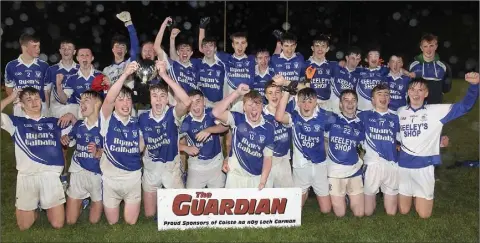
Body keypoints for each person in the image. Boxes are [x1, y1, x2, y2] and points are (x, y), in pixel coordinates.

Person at [397, 72, 479, 219]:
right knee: (403, 211)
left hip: (425, 167)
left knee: (424, 215)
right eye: (413, 90)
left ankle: (419, 193)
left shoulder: (435, 111)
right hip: (403, 167)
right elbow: (395, 135)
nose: (416, 93)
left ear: (426, 93)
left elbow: (464, 107)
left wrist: (474, 86)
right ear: (408, 92)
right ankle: (412, 193)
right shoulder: (399, 112)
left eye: (420, 90)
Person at [1, 87, 76, 230]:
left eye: (36, 98)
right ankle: (34, 207)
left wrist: (71, 117)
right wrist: (11, 98)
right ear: (21, 105)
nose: (34, 102)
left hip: (50, 176)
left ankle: (44, 203)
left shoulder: (55, 122)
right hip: (27, 176)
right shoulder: (16, 123)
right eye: (28, 99)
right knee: (24, 226)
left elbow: (80, 131)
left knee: (58, 224)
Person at [137, 60, 192, 218]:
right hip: (151, 169)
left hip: (170, 168)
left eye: (162, 96)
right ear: (150, 99)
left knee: (181, 213)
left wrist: (164, 76)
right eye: (154, 96)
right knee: (149, 215)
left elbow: (187, 101)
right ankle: (160, 195)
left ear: (167, 99)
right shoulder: (142, 118)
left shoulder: (172, 114)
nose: (159, 100)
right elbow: (140, 146)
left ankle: (170, 190)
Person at [275, 83, 332, 213]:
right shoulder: (294, 117)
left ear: (315, 102)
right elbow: (278, 117)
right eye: (303, 102)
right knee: (295, 210)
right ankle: (303, 193)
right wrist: (287, 92)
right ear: (298, 103)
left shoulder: (324, 116)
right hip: (300, 167)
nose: (306, 106)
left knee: (326, 210)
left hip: (320, 166)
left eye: (310, 102)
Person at [99, 62, 143, 225]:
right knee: (112, 223)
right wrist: (124, 75)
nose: (125, 104)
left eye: (128, 100)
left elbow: (141, 147)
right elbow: (109, 99)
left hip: (132, 178)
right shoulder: (107, 119)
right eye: (121, 99)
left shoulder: (137, 122)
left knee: (131, 223)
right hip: (111, 180)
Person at [212, 84, 274, 189]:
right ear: (244, 107)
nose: (253, 108)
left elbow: (268, 158)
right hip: (235, 177)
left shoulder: (269, 128)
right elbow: (216, 112)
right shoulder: (237, 119)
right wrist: (236, 93)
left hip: (256, 177)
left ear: (262, 107)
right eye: (250, 105)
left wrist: (263, 181)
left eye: (257, 105)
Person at [61, 90, 104, 225]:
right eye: (81, 101)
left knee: (94, 221)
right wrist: (65, 138)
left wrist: (99, 152)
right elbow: (70, 137)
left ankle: (93, 200)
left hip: (97, 174)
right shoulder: (79, 125)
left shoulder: (105, 127)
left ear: (97, 104)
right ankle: (82, 199)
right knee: (70, 221)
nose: (81, 103)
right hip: (78, 172)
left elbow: (112, 150)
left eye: (86, 100)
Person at [358, 84, 400, 216]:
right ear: (373, 99)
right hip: (372, 165)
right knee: (367, 212)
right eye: (379, 94)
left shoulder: (396, 118)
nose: (383, 97)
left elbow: (405, 139)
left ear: (390, 99)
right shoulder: (362, 116)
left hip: (391, 164)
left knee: (391, 213)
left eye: (387, 94)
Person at [325, 90, 365, 217]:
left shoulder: (361, 124)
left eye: (353, 100)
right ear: (340, 104)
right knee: (340, 214)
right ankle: (343, 198)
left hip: (354, 171)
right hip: (334, 173)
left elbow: (362, 148)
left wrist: (360, 161)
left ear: (357, 103)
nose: (350, 103)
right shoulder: (332, 119)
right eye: (346, 100)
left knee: (359, 214)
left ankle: (348, 196)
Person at [179, 89, 229, 189]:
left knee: (218, 200)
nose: (195, 106)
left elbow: (226, 126)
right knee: (192, 200)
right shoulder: (184, 122)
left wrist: (209, 130)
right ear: (188, 106)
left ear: (204, 102)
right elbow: (170, 143)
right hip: (196, 166)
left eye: (198, 101)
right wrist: (185, 148)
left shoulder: (212, 113)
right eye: (191, 103)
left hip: (216, 164)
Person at [4, 33, 50, 117]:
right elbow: (9, 88)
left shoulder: (44, 66)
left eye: (38, 46)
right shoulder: (11, 66)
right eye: (34, 46)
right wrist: (17, 101)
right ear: (24, 47)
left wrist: (47, 107)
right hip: (21, 108)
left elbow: (47, 90)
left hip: (40, 107)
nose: (38, 49)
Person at [55, 47, 104, 119]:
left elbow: (108, 98)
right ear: (77, 58)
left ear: (92, 58)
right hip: (78, 115)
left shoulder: (101, 76)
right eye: (82, 55)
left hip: (97, 114)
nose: (84, 57)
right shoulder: (71, 78)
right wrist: (59, 85)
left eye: (87, 55)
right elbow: (64, 100)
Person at [262, 80, 294, 187]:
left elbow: (305, 90)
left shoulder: (288, 112)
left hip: (283, 160)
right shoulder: (259, 115)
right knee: (266, 198)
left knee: (287, 198)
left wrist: (285, 82)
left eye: (277, 92)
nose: (274, 96)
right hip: (265, 161)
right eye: (270, 93)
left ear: (282, 93)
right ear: (265, 96)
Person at [408, 33, 452, 105]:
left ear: (436, 46)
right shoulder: (412, 66)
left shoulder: (444, 66)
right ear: (421, 48)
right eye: (425, 46)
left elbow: (446, 88)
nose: (428, 49)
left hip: (435, 108)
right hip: (416, 108)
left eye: (431, 46)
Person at [103, 11, 139, 89]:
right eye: (117, 46)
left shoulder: (130, 63)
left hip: (128, 99)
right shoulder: (106, 70)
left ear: (126, 51)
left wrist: (129, 24)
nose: (119, 48)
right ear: (112, 49)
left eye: (123, 46)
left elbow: (135, 47)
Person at [303, 34, 334, 111]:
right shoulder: (304, 65)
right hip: (308, 104)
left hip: (327, 105)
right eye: (317, 46)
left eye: (323, 46)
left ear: (327, 49)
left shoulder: (333, 66)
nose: (320, 49)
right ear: (312, 48)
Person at [330, 46, 362, 114]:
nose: (355, 61)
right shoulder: (336, 67)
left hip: (347, 110)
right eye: (352, 58)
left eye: (357, 59)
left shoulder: (360, 74)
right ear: (347, 58)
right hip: (331, 109)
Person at [356, 48, 389, 112]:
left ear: (379, 59)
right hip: (361, 111)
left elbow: (399, 70)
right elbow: (348, 67)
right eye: (371, 55)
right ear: (366, 59)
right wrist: (343, 62)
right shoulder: (359, 71)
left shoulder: (384, 70)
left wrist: (407, 72)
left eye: (376, 55)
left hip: (378, 112)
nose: (374, 58)